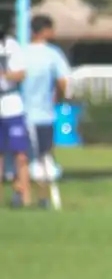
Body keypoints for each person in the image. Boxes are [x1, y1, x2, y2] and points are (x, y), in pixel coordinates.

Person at [20, 16, 71, 209]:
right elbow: (63, 81)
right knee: (44, 155)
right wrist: (60, 96)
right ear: (46, 31)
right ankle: (43, 196)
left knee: (22, 156)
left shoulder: (21, 52)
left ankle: (23, 193)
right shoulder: (53, 54)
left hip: (21, 113)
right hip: (43, 114)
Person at [1, 29, 31, 208]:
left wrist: (5, 75)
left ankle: (25, 195)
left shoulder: (11, 45)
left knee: (20, 154)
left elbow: (21, 73)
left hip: (12, 106)